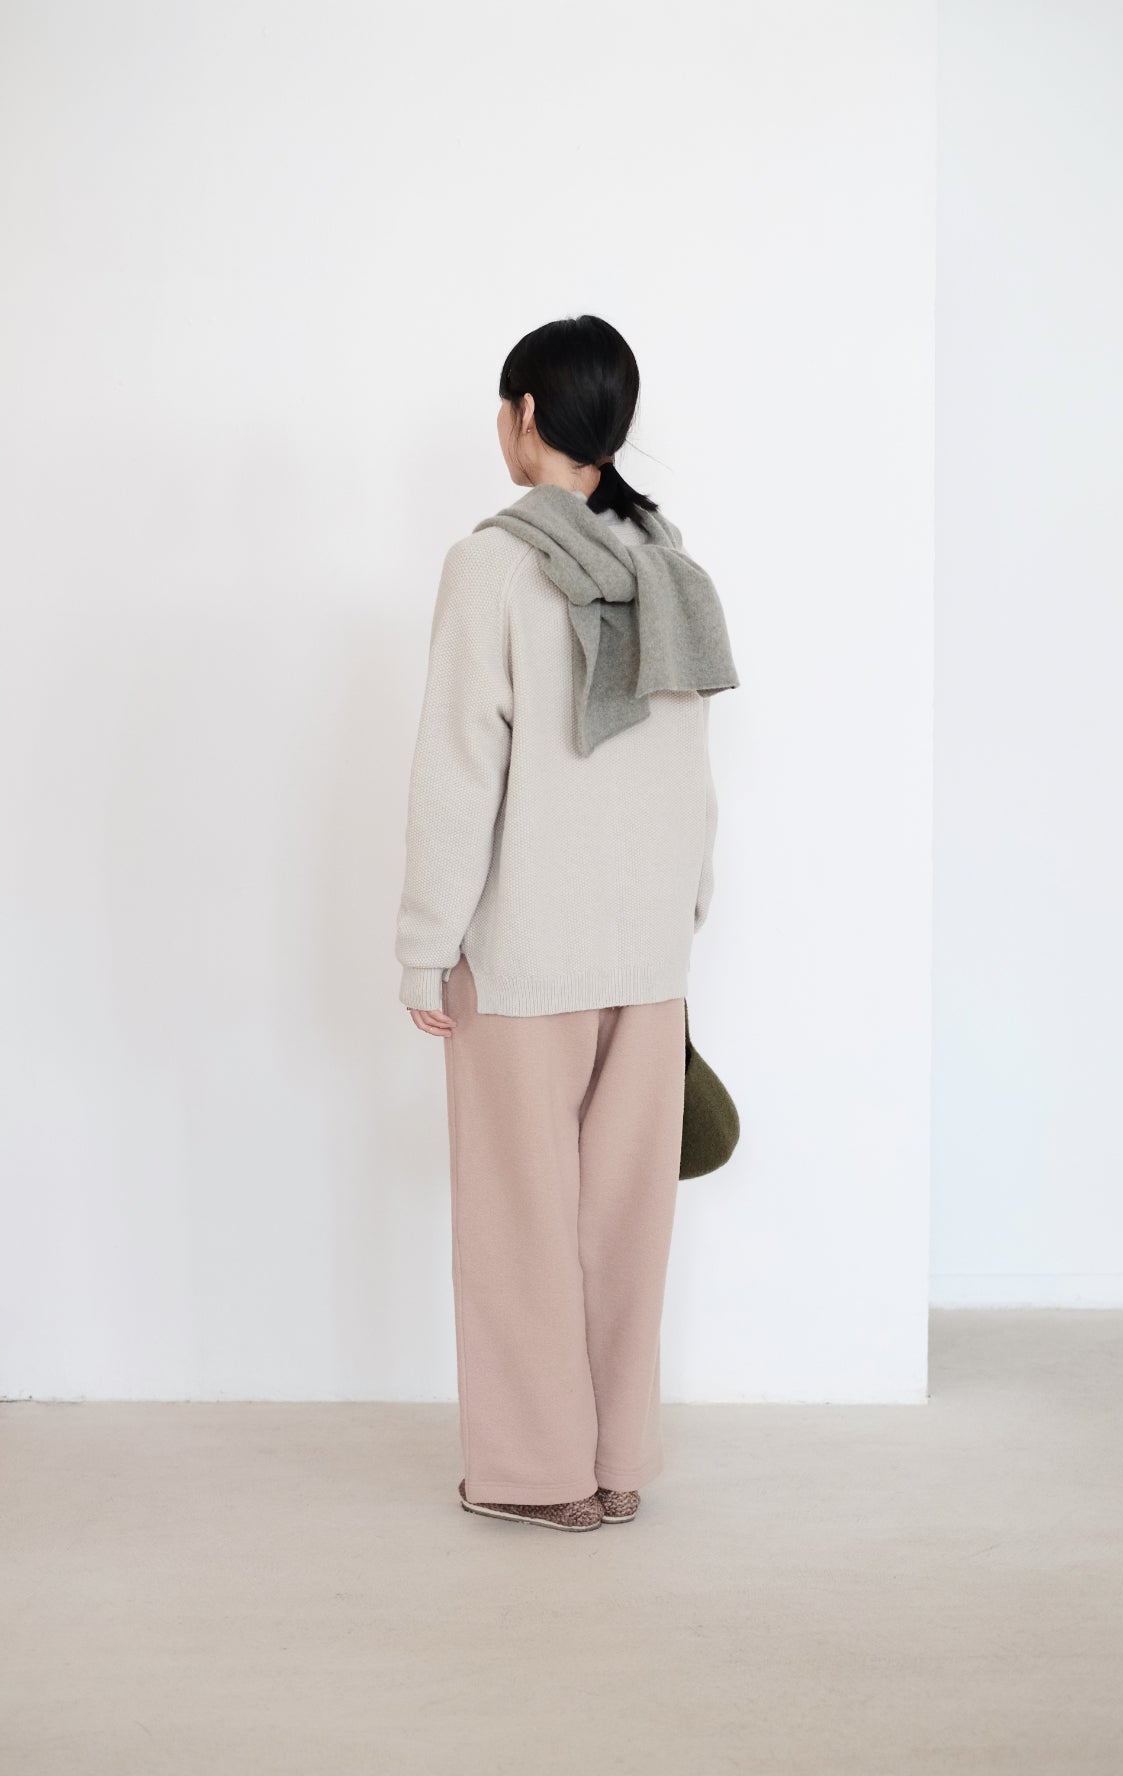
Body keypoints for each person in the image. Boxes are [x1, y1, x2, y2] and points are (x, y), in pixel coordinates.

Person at [394, 314, 739, 1531]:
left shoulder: (492, 565)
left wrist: (424, 943)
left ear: (526, 415)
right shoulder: (668, 562)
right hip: (646, 951)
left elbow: (456, 772)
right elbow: (690, 762)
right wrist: (683, 907)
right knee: (624, 1223)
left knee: (518, 1222)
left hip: (525, 956)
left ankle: (539, 1477)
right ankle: (615, 1461)